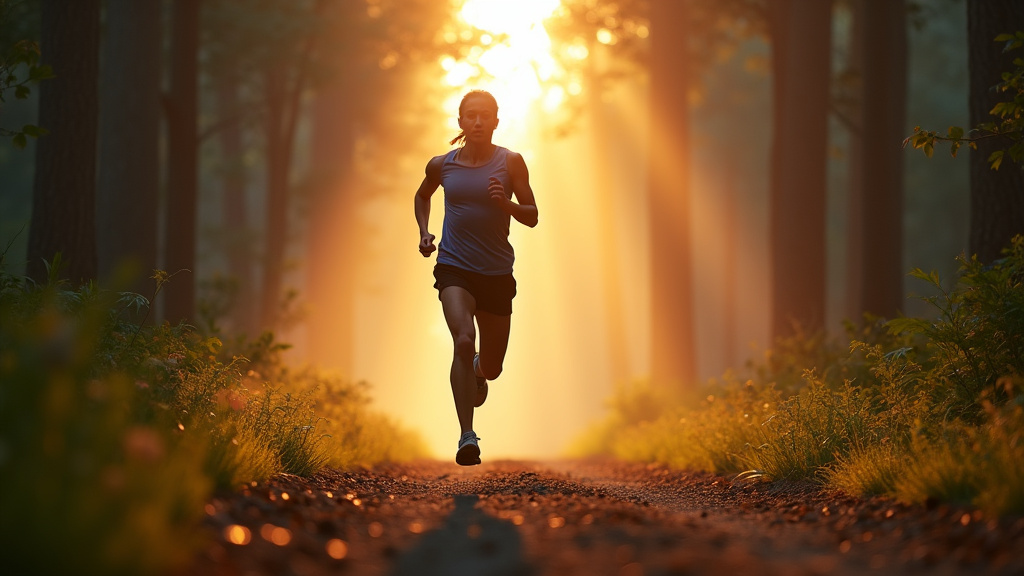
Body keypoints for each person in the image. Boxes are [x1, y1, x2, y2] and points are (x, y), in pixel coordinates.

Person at [413, 90, 539, 466]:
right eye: (472, 116)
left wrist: (506, 204)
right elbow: (422, 196)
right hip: (454, 267)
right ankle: (467, 435)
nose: (479, 122)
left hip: (497, 274)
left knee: (493, 368)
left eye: (486, 116)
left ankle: (480, 371)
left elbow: (532, 214)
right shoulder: (441, 165)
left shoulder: (511, 162)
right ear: (461, 122)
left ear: (497, 121)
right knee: (463, 339)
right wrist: (423, 232)